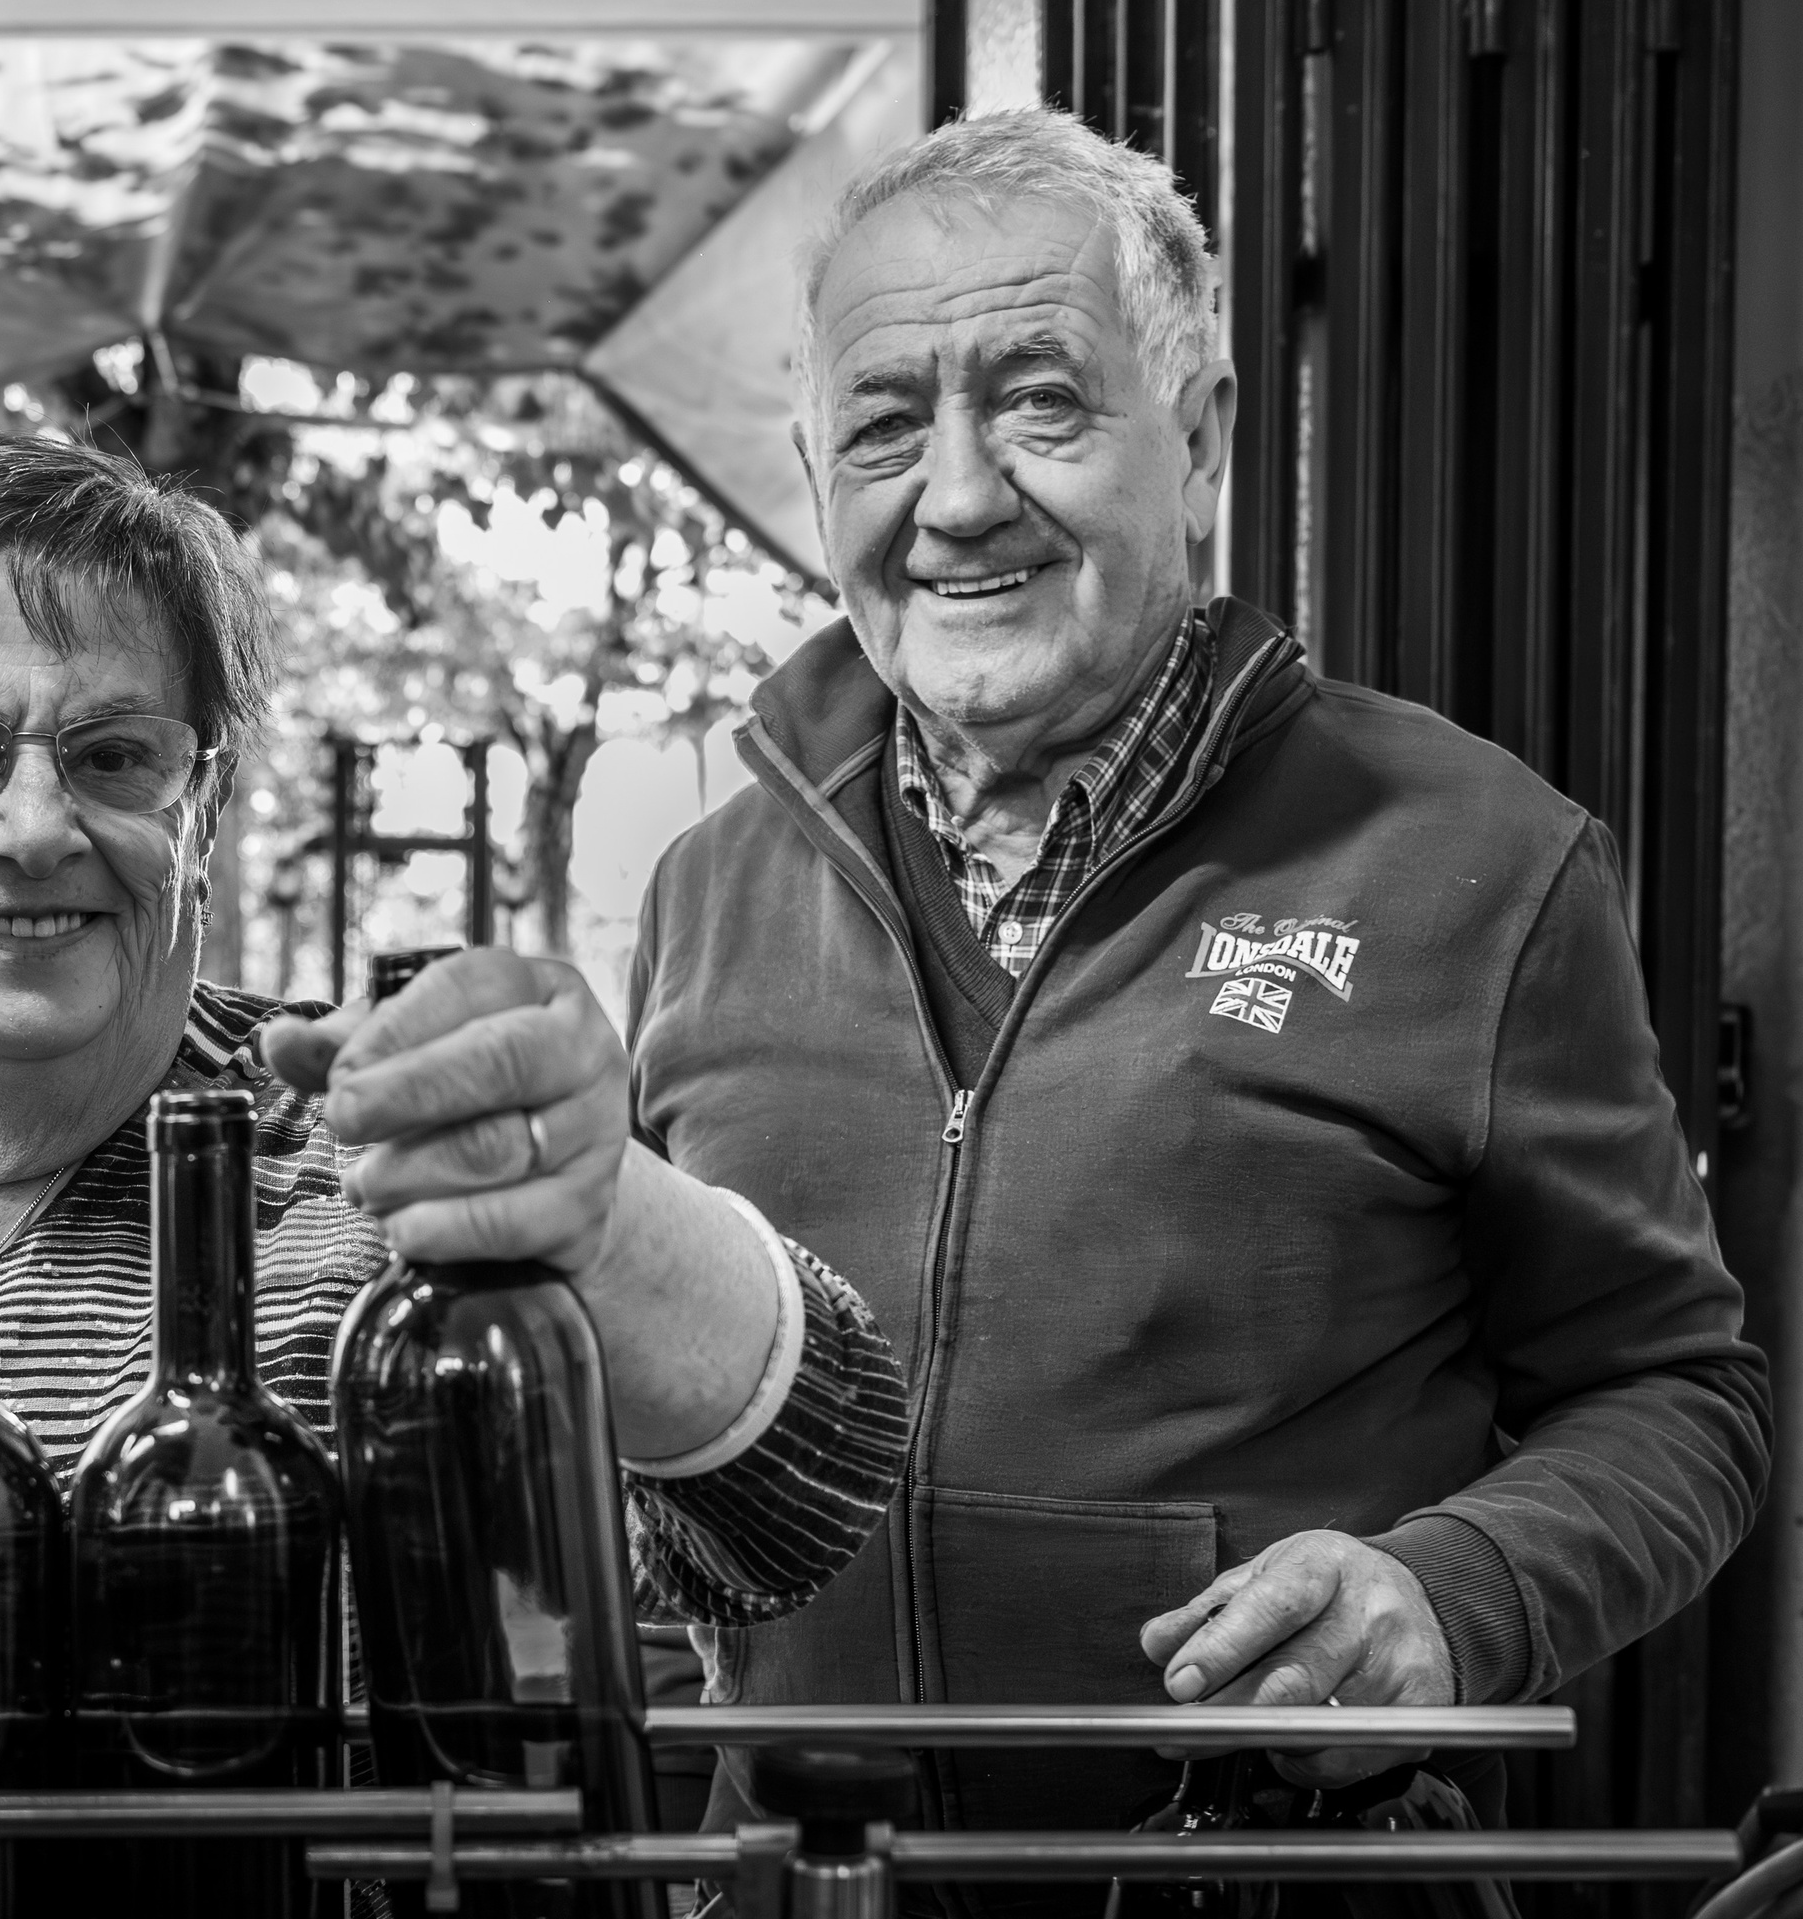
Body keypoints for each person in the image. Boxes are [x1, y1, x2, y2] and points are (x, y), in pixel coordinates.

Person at [623, 105, 1770, 1878]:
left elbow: (1682, 1398)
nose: (955, 497)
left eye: (1039, 399)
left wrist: (1448, 1596)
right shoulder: (710, 891)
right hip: (790, 1886)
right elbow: (676, 1418)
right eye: (881, 427)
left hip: (1277, 1884)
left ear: (1204, 440)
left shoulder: (1478, 859)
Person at [0, 435, 908, 1649]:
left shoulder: (362, 1167)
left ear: (208, 804)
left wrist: (603, 1214)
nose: (38, 828)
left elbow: (802, 1504)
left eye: (117, 756)